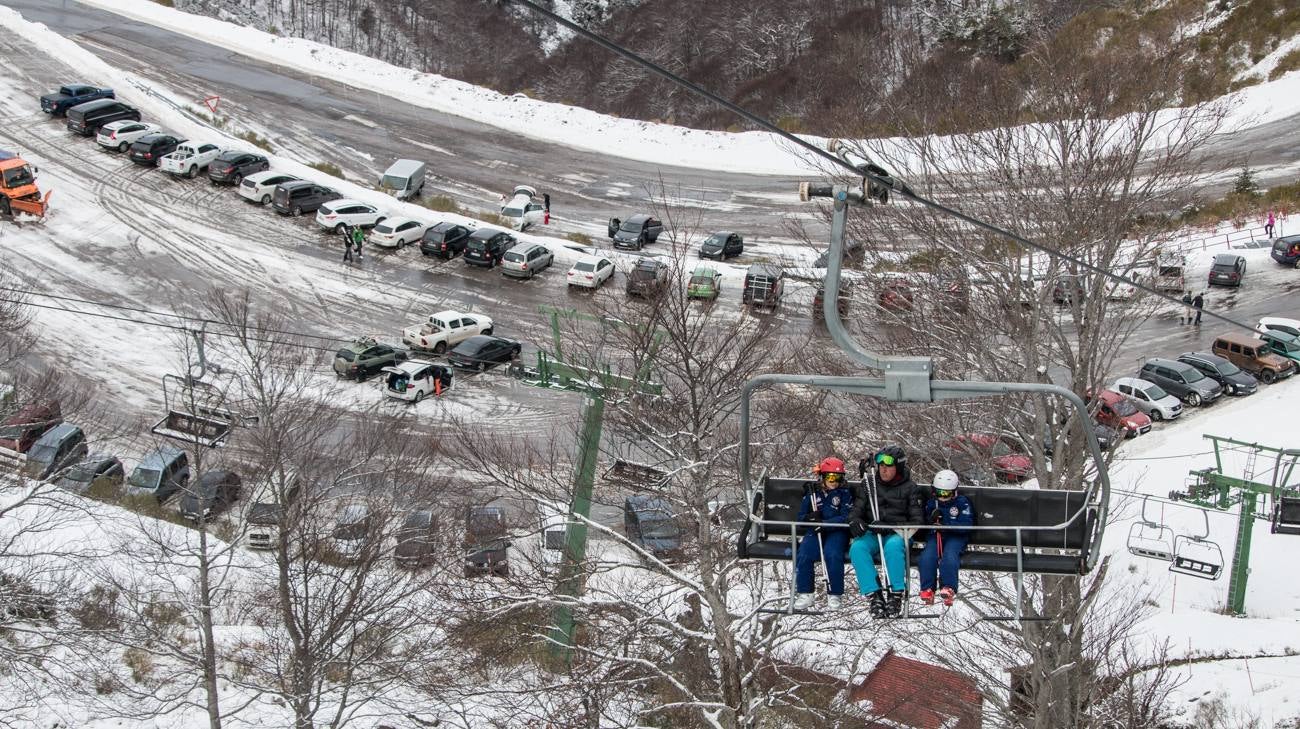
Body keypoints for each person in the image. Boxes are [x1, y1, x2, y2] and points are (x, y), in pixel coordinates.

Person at [849, 445, 922, 619]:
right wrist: (855, 521)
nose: (883, 469)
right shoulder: (869, 485)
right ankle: (874, 595)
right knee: (858, 548)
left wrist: (890, 526)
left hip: (899, 532)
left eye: (888, 466)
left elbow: (918, 521)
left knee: (893, 547)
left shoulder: (910, 488)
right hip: (873, 532)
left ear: (898, 467)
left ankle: (896, 593)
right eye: (881, 466)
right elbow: (856, 510)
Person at [792, 457, 854, 610]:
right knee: (805, 553)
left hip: (836, 532)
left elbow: (846, 516)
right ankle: (805, 592)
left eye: (838, 478)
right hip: (815, 531)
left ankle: (835, 593)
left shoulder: (844, 494)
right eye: (831, 477)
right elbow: (801, 518)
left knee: (832, 554)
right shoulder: (813, 495)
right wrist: (810, 518)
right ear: (822, 477)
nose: (834, 482)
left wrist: (825, 524)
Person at [917, 470, 974, 607]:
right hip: (936, 536)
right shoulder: (932, 504)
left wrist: (947, 525)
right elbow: (923, 522)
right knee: (927, 556)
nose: (942, 497)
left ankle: (948, 587)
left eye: (946, 493)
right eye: (939, 493)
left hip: (956, 536)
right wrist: (931, 521)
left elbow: (967, 524)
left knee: (949, 556)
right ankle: (927, 588)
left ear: (954, 492)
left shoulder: (962, 503)